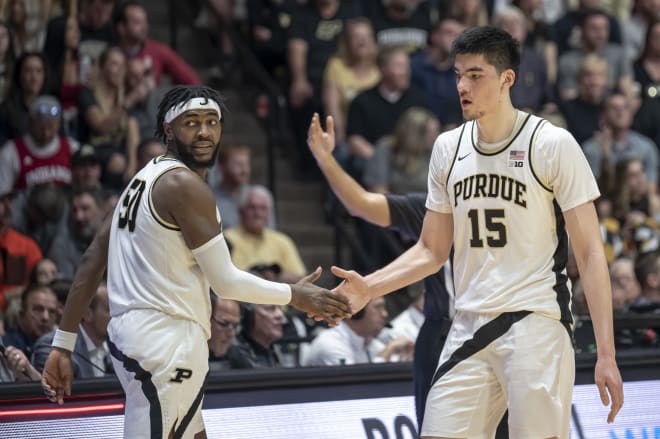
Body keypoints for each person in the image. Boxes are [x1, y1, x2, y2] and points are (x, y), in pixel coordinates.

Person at [318, 26, 623, 437]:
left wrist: (606, 353)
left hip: (535, 321)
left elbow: (589, 254)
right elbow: (431, 250)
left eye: (475, 75)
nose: (462, 85)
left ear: (506, 79)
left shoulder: (551, 144)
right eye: (458, 74)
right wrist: (369, 287)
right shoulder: (448, 147)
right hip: (467, 323)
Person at [40, 85, 351, 439]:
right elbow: (225, 283)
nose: (204, 131)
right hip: (165, 342)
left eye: (211, 122)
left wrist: (63, 344)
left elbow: (94, 257)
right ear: (169, 130)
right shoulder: (183, 186)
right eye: (191, 122)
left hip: (142, 338)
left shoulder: (142, 179)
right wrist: (295, 295)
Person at [307, 113, 453, 430]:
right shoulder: (432, 208)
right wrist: (326, 159)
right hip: (443, 334)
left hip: (498, 327)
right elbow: (360, 204)